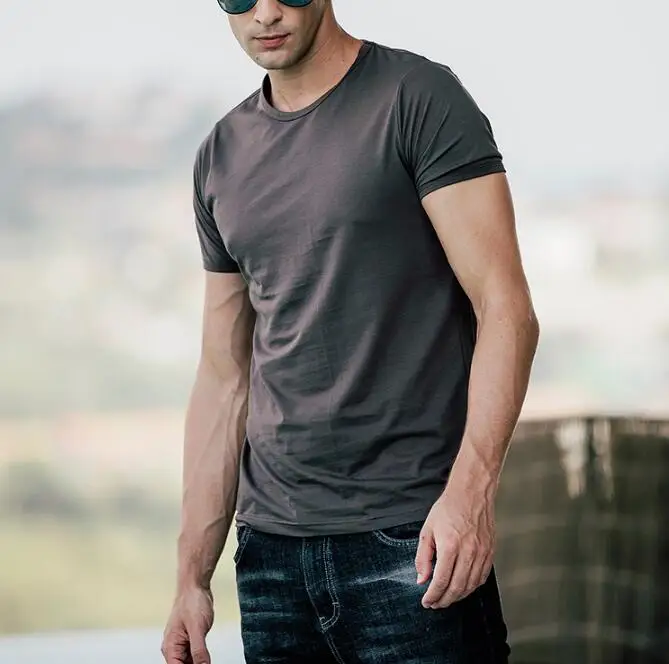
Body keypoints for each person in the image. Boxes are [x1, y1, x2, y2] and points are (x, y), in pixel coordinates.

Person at [162, 0, 540, 662]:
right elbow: (224, 376)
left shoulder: (416, 97)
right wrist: (191, 578)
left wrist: (470, 496)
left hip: (414, 541)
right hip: (271, 559)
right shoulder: (220, 155)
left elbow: (505, 309)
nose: (264, 13)